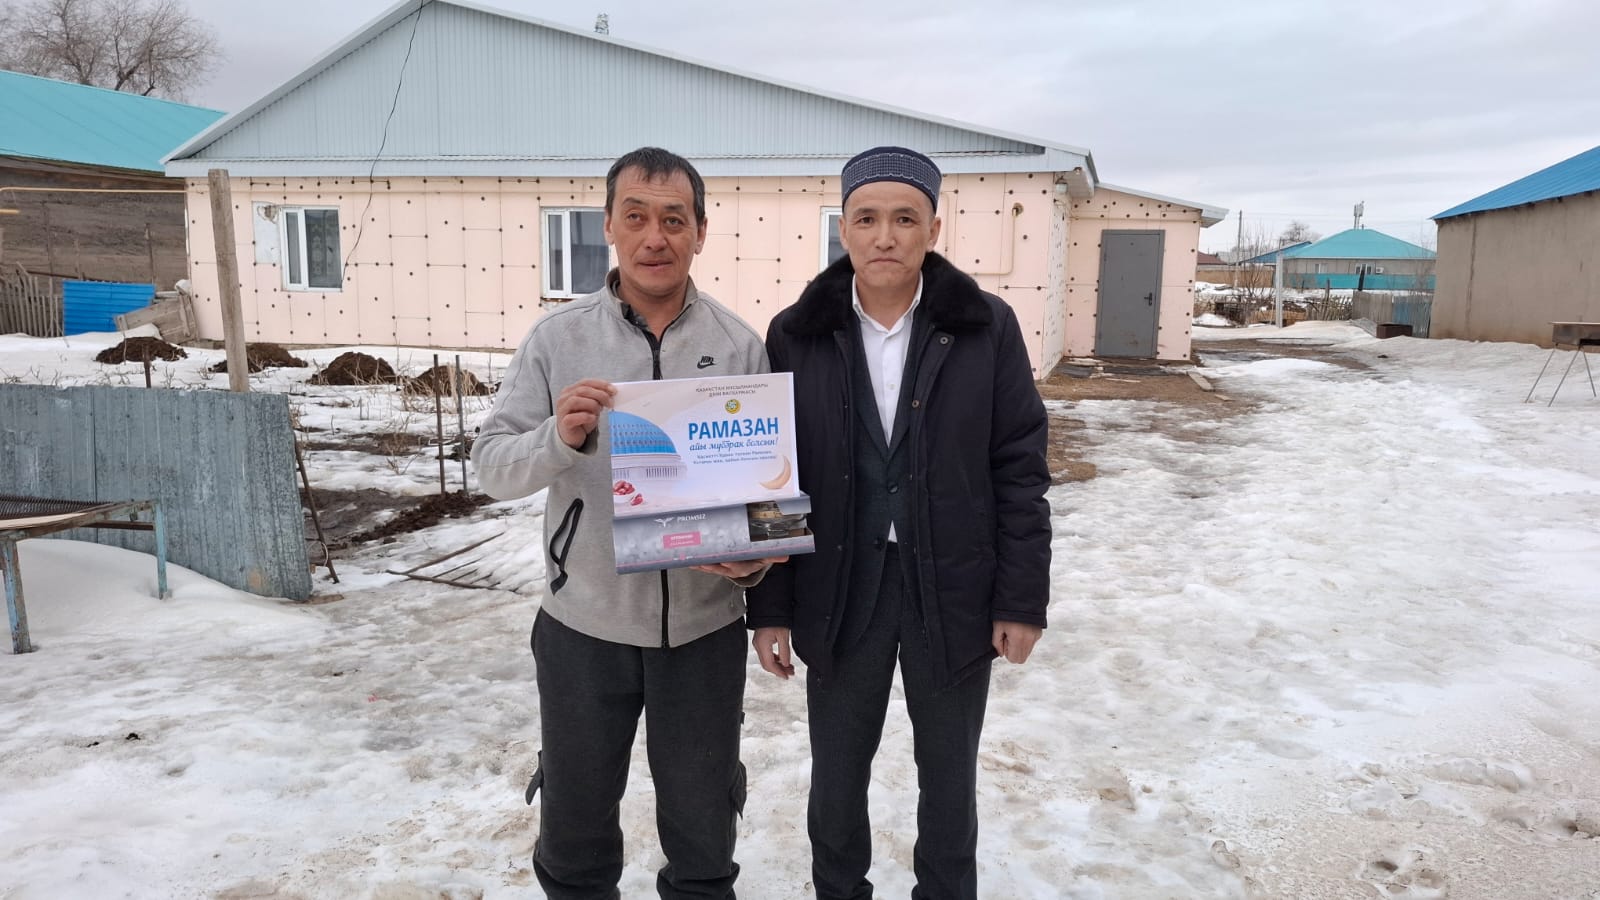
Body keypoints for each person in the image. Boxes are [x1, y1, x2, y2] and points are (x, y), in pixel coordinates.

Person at [747, 146, 1052, 900]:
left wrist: (1019, 600)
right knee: (836, 776)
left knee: (948, 781)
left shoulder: (985, 327)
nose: (885, 236)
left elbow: (1018, 468)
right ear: (843, 230)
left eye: (905, 219)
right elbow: (772, 472)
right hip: (839, 587)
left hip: (952, 590)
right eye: (867, 218)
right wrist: (771, 608)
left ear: (933, 229)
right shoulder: (796, 334)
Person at [473, 147, 775, 900]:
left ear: (700, 231)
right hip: (584, 630)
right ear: (608, 225)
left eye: (674, 219)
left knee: (704, 831)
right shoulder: (558, 340)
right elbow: (492, 468)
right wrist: (557, 438)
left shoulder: (739, 345)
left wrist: (755, 561)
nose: (654, 237)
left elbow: (765, 491)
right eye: (635, 217)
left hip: (703, 636)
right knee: (575, 829)